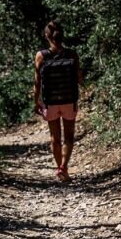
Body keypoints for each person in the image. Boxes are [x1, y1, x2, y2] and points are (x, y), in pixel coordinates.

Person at [34, 20, 82, 181]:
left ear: (46, 36)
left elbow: (37, 82)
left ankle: (59, 167)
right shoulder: (72, 54)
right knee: (69, 136)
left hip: (50, 102)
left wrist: (36, 101)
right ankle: (64, 168)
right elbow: (80, 79)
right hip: (69, 100)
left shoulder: (41, 55)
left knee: (55, 138)